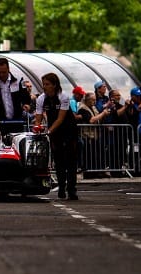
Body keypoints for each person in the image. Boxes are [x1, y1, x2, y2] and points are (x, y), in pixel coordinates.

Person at [34, 72, 78, 200]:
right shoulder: (41, 98)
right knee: (59, 160)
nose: (44, 87)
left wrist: (49, 131)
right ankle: (62, 187)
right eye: (43, 84)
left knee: (71, 161)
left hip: (69, 129)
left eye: (47, 84)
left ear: (54, 85)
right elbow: (38, 116)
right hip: (55, 132)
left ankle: (72, 189)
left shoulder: (63, 97)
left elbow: (60, 118)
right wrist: (37, 127)